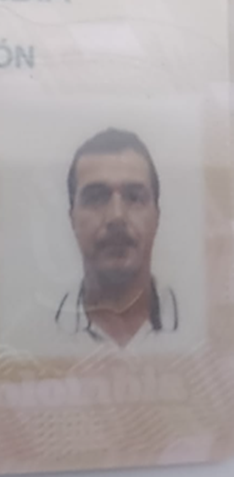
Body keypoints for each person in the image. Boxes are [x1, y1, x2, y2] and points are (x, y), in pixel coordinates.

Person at [55, 128, 178, 348]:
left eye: (134, 197)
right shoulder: (30, 340)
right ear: (72, 219)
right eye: (96, 197)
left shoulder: (210, 332)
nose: (116, 216)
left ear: (157, 217)